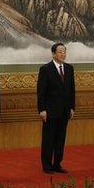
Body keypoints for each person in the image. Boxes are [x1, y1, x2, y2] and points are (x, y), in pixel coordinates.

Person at [37, 42, 75, 174]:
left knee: (60, 139)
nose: (62, 54)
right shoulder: (45, 69)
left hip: (64, 111)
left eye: (64, 51)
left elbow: (72, 90)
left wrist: (71, 107)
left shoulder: (69, 68)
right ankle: (47, 165)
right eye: (60, 52)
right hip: (50, 111)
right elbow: (41, 91)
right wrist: (42, 109)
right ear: (53, 53)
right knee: (48, 139)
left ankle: (57, 164)